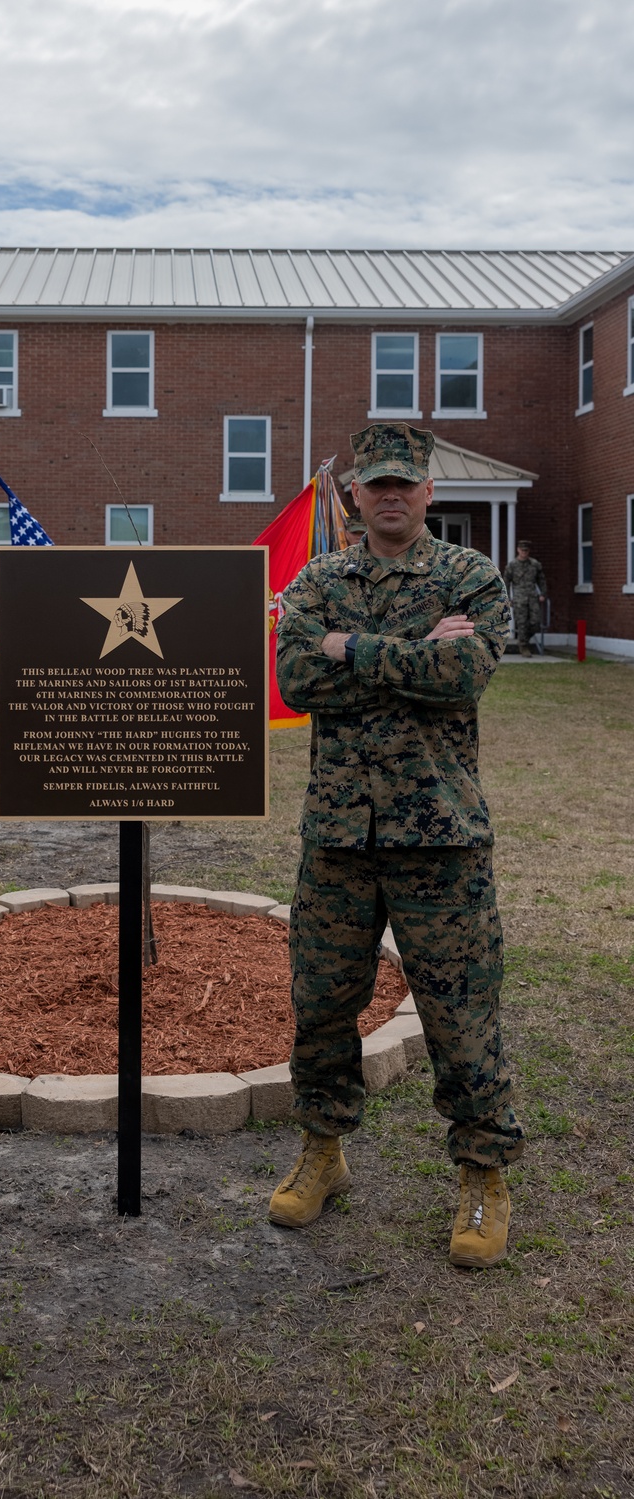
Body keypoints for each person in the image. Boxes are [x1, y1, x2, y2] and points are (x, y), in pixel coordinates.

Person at [268, 421, 524, 1268]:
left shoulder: (470, 578)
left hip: (439, 837)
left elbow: (465, 677)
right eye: (372, 482)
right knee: (323, 1004)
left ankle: (483, 1171)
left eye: (401, 483)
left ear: (427, 491)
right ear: (352, 494)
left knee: (461, 1014)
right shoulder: (317, 579)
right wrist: (409, 654)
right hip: (339, 835)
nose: (387, 495)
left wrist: (355, 648)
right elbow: (298, 678)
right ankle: (323, 1151)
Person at [503, 541, 547, 656]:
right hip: (519, 598)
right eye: (522, 550)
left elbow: (541, 580)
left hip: (532, 597)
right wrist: (508, 598)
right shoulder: (512, 565)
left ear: (529, 551)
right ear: (518, 550)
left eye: (526, 551)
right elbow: (506, 582)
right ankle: (524, 647)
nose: (524, 553)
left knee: (535, 623)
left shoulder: (535, 564)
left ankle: (524, 640)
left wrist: (543, 593)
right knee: (522, 623)